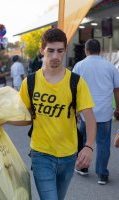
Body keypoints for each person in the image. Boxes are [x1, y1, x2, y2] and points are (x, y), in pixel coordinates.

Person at [8, 28, 96, 200]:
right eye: (50, 50)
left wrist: (89, 146)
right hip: (41, 154)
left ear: (65, 50)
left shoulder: (76, 82)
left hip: (69, 155)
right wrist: (2, 119)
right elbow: (25, 118)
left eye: (60, 51)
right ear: (42, 50)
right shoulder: (30, 82)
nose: (55, 56)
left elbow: (90, 118)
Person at [73, 38, 119, 185]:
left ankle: (83, 167)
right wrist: (118, 107)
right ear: (100, 51)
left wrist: (75, 110)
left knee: (85, 141)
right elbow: (117, 90)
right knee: (103, 143)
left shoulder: (79, 66)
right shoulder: (110, 67)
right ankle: (102, 175)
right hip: (105, 112)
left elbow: (72, 89)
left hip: (86, 113)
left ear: (86, 50)